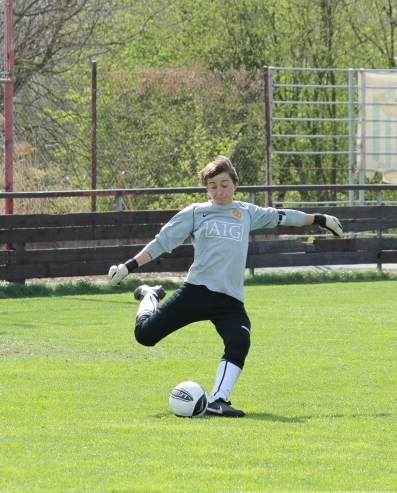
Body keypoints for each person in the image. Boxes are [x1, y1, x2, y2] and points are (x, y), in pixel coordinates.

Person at [107, 156, 343, 417]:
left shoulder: (247, 213)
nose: (219, 191)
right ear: (206, 188)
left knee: (239, 339)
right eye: (212, 186)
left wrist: (320, 219)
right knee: (145, 336)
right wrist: (128, 266)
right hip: (196, 292)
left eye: (224, 184)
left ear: (235, 185)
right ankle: (150, 295)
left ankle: (218, 400)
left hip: (230, 299)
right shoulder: (196, 212)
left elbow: (284, 216)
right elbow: (161, 243)